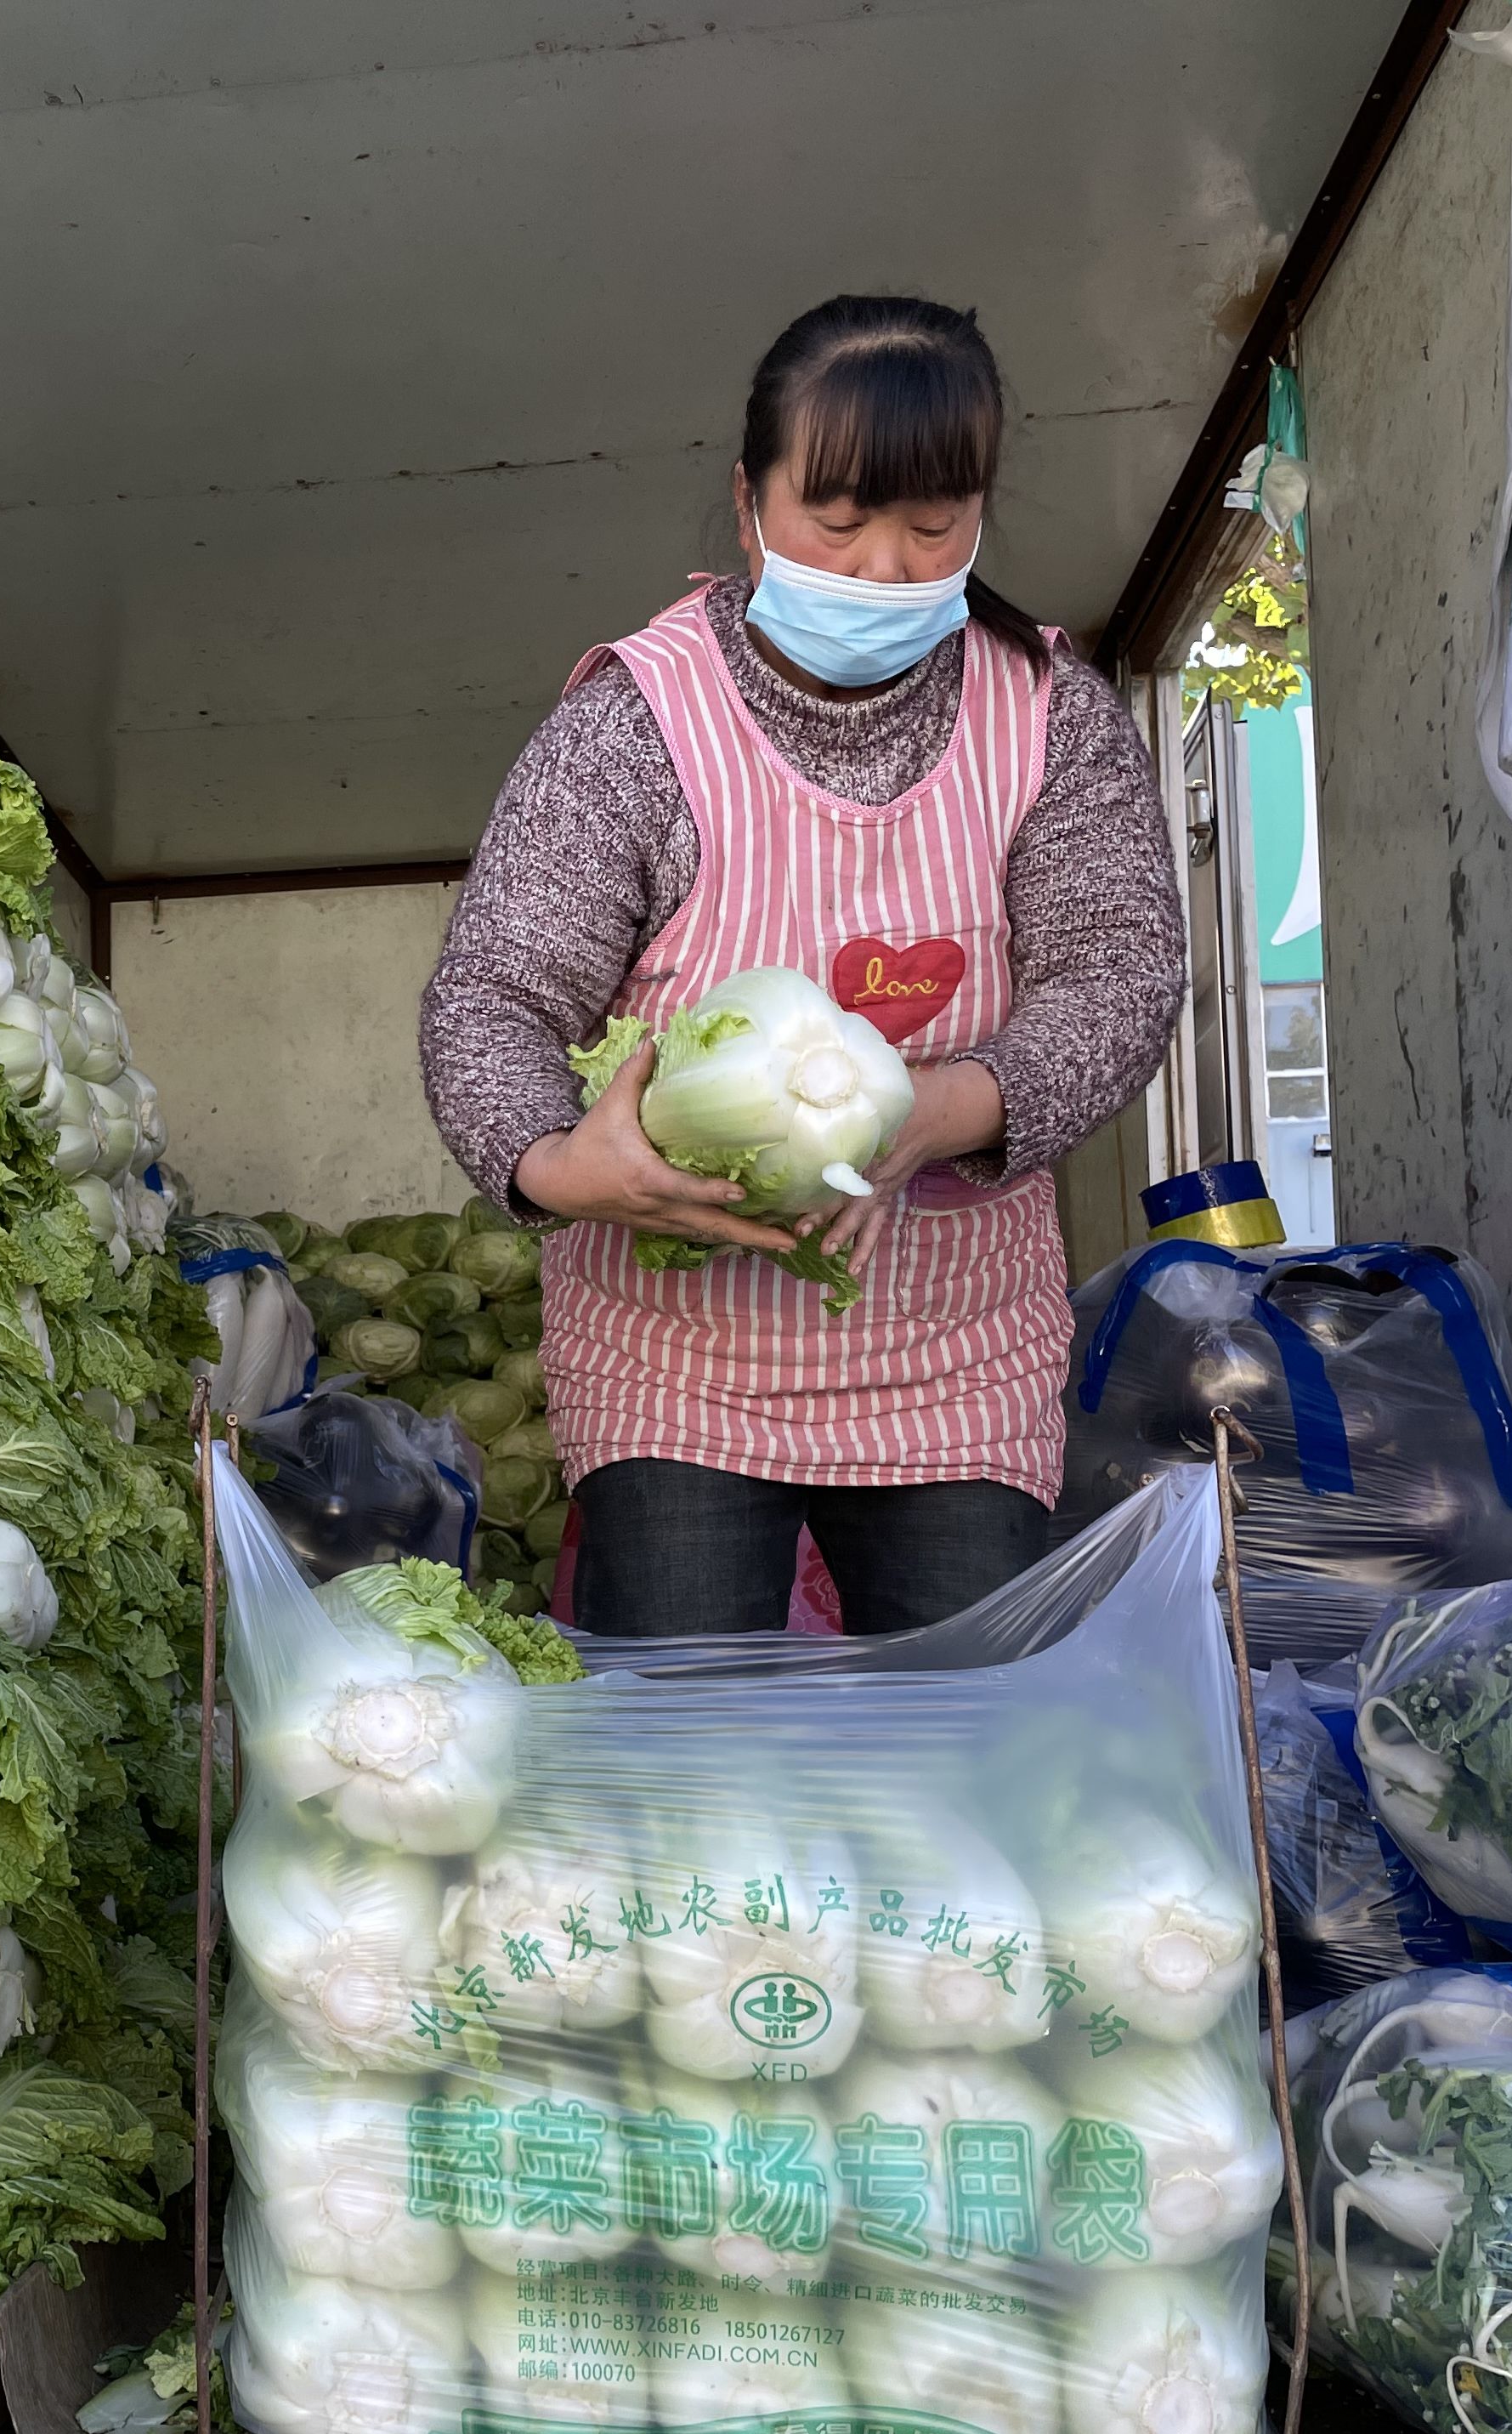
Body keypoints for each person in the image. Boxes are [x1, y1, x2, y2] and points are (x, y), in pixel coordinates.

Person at [420, 295, 1183, 1637]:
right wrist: (555, 1166)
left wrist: (934, 1115)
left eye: (933, 525)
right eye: (837, 521)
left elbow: (1120, 974)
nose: (886, 566)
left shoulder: (1048, 714)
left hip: (960, 1361)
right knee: (701, 1772)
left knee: (959, 1766)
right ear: (748, 504)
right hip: (675, 1366)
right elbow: (493, 997)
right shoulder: (635, 725)